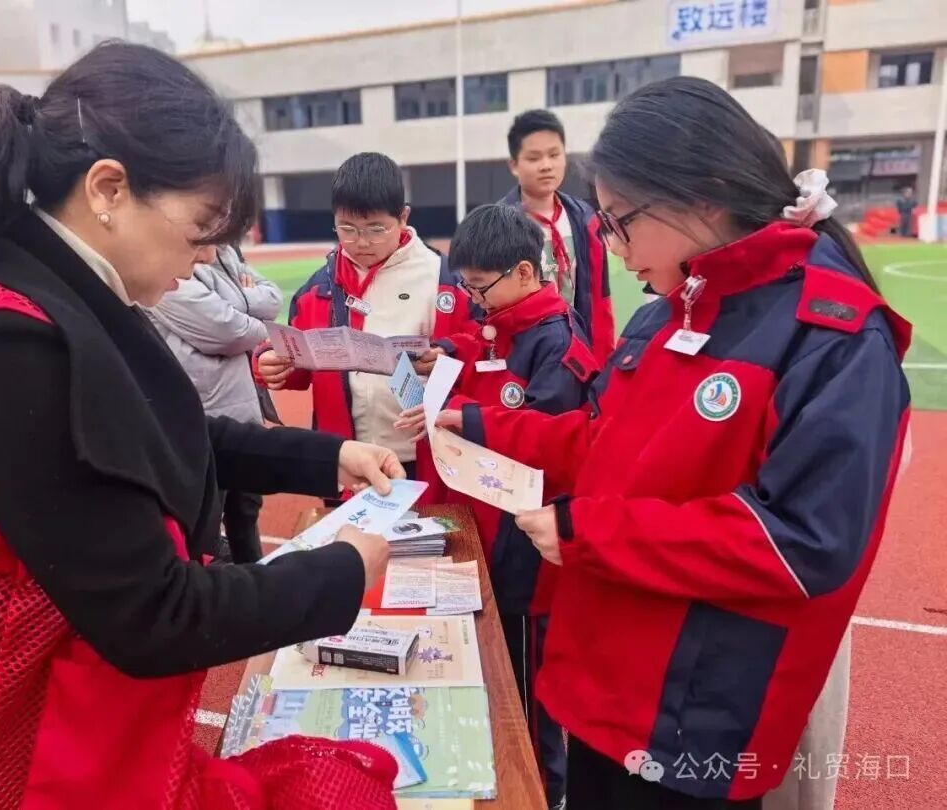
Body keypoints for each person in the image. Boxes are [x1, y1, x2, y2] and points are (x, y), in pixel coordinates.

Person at [0, 42, 405, 809]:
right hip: (21, 761)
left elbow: (162, 437)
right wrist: (341, 572)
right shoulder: (11, 340)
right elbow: (154, 614)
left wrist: (325, 458)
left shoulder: (56, 292)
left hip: (75, 727)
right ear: (108, 189)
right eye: (199, 229)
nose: (203, 261)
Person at [436, 77, 911, 809]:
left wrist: (588, 532)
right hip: (602, 685)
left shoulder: (833, 336)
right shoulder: (666, 315)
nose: (611, 246)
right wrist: (476, 423)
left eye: (620, 222)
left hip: (691, 717)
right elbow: (602, 441)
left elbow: (802, 541)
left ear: (705, 197)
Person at [401, 204, 594, 809]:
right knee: (488, 660)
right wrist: (444, 355)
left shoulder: (557, 341)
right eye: (466, 287)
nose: (474, 300)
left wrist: (470, 417)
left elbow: (552, 438)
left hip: (525, 541)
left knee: (527, 681)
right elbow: (481, 350)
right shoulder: (503, 322)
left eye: (480, 287)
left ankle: (546, 791)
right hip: (482, 519)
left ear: (524, 273)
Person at [255, 152, 475, 484]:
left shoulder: (443, 279)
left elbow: (480, 347)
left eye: (376, 229)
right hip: (347, 459)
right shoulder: (319, 288)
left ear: (403, 217)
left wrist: (447, 352)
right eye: (347, 229)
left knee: (429, 519)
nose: (361, 243)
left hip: (424, 455)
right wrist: (270, 361)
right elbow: (297, 363)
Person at [149, 244, 283, 563]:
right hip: (203, 415)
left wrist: (232, 303)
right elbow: (228, 331)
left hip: (243, 408)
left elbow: (274, 297)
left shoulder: (225, 251)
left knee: (246, 512)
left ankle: (253, 580)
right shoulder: (167, 262)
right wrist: (251, 311)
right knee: (204, 524)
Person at [499, 109, 615, 368]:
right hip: (525, 357)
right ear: (514, 165)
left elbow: (601, 299)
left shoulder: (585, 218)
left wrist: (604, 363)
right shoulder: (499, 226)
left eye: (554, 155)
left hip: (579, 351)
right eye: (534, 157)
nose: (546, 166)